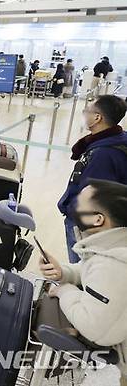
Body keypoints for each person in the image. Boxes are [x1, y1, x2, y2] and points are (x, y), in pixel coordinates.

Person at [40, 179, 127, 386]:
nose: (75, 206)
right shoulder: (115, 246)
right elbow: (94, 271)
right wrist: (64, 273)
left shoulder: (113, 265)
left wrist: (65, 291)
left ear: (97, 219)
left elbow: (96, 328)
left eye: (81, 203)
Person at [58, 95, 127, 263]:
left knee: (82, 270)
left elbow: (95, 198)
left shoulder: (103, 154)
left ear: (97, 118)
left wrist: (74, 214)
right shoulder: (114, 140)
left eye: (86, 111)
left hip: (84, 225)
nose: (84, 115)